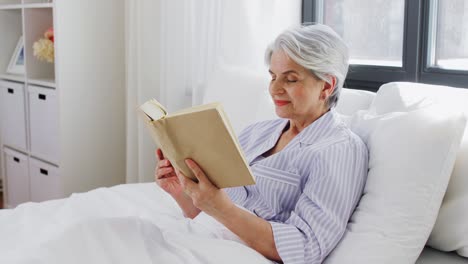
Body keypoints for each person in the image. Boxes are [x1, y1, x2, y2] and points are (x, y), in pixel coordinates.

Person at [155, 24, 368, 264]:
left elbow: (306, 249)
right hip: (198, 239)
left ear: (327, 86)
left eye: (290, 79)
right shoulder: (256, 133)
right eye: (273, 76)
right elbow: (212, 215)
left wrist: (222, 208)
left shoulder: (339, 149)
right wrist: (181, 192)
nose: (274, 89)